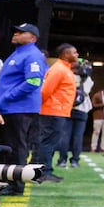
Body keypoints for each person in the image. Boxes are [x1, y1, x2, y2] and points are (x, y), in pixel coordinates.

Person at [0, 23, 46, 168]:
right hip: (8, 107)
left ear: (33, 38)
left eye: (22, 32)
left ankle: (15, 184)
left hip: (19, 108)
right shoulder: (18, 53)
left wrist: (7, 96)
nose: (16, 33)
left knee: (15, 146)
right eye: (16, 31)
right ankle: (4, 179)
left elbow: (34, 81)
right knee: (4, 145)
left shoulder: (32, 55)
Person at [39, 43, 79, 171]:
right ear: (66, 54)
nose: (77, 55)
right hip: (52, 111)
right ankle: (44, 171)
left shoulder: (65, 69)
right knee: (48, 142)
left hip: (59, 111)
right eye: (74, 52)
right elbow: (45, 91)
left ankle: (46, 170)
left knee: (51, 142)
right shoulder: (59, 70)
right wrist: (47, 108)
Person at [68, 60, 92, 167]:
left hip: (69, 108)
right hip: (82, 109)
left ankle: (62, 160)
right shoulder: (89, 81)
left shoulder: (70, 77)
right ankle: (75, 160)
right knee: (78, 136)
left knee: (65, 135)